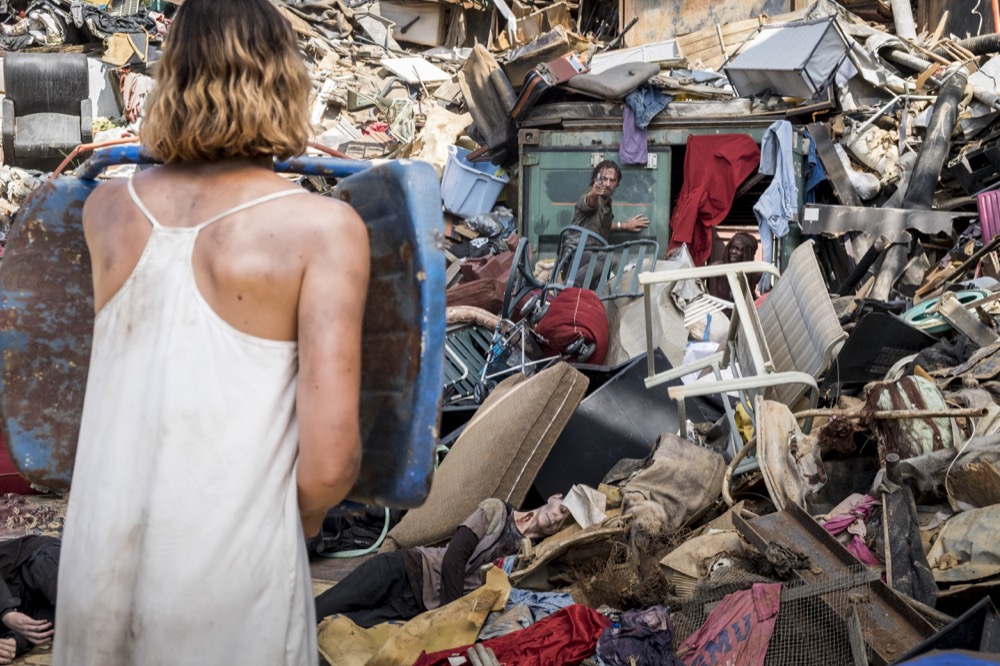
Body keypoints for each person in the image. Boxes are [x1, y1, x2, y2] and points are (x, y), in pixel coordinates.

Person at [53, 1, 368, 664]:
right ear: (283, 79)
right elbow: (330, 463)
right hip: (230, 592)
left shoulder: (107, 210)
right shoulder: (322, 229)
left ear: (173, 79)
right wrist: (298, 523)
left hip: (95, 574)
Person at [314, 495, 572, 628]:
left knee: (337, 629)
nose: (557, 518)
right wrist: (451, 616)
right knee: (321, 608)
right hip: (406, 569)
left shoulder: (529, 558)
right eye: (561, 508)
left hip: (415, 607)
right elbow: (453, 558)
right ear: (553, 497)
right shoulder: (495, 510)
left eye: (564, 519)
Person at [563, 160, 649, 288]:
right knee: (610, 259)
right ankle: (568, 288)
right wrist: (594, 193)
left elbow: (602, 225)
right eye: (604, 179)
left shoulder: (606, 204)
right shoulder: (591, 197)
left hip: (591, 258)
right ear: (595, 179)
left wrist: (625, 226)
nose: (608, 184)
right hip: (576, 254)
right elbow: (589, 202)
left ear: (617, 183)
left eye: (612, 180)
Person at [0, 536, 59, 664]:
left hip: (29, 561)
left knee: (86, 605)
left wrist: (6, 612)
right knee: (87, 627)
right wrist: (12, 643)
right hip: (32, 610)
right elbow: (28, 630)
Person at [707, 231, 760, 302]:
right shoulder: (719, 266)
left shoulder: (755, 272)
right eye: (732, 247)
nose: (733, 251)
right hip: (720, 312)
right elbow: (696, 277)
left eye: (738, 249)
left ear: (747, 253)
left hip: (744, 312)